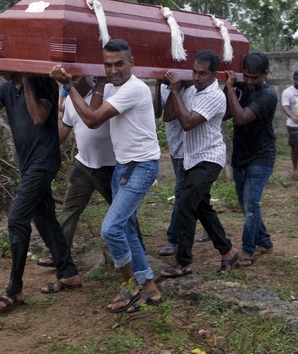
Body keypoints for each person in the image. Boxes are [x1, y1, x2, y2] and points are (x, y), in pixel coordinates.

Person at [49, 38, 161, 313]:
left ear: (132, 63)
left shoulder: (133, 88)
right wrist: (96, 81)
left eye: (119, 64)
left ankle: (130, 288)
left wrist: (68, 86)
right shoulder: (112, 85)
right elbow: (93, 102)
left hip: (142, 166)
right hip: (123, 166)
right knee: (128, 230)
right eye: (108, 65)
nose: (114, 70)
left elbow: (93, 118)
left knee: (111, 228)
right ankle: (150, 288)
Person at [0, 62, 81, 313]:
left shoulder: (40, 81)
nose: (1, 67)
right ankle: (68, 272)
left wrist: (26, 79)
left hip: (44, 161)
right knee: (44, 217)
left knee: (16, 220)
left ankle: (15, 288)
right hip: (27, 164)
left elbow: (38, 117)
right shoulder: (3, 87)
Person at [160, 50, 239, 278]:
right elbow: (167, 117)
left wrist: (175, 90)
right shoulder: (191, 90)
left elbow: (186, 123)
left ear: (214, 74)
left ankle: (183, 262)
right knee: (202, 208)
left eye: (202, 74)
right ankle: (228, 251)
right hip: (191, 157)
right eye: (194, 72)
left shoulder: (215, 96)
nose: (196, 78)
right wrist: (174, 89)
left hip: (209, 158)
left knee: (185, 203)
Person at [36, 76, 116, 267]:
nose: (71, 81)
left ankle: (135, 249)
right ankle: (60, 254)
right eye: (68, 79)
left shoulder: (109, 92)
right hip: (83, 164)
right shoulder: (71, 98)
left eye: (77, 77)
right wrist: (46, 151)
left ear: (88, 74)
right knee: (70, 209)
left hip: (108, 166)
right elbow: (65, 126)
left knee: (120, 211)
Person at [224, 53, 276, 266]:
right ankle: (264, 240)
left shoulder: (268, 95)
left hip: (262, 156)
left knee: (251, 204)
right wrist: (231, 90)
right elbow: (227, 114)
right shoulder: (240, 87)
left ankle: (248, 249)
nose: (250, 81)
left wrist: (229, 89)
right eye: (246, 76)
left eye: (255, 77)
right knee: (246, 204)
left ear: (265, 74)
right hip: (241, 154)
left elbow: (241, 118)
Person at [153, 79, 209, 257]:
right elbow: (156, 113)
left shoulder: (194, 88)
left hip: (191, 150)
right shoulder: (163, 87)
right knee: (197, 194)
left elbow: (169, 115)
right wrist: (157, 83)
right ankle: (211, 228)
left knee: (182, 194)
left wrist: (175, 89)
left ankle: (173, 238)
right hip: (175, 148)